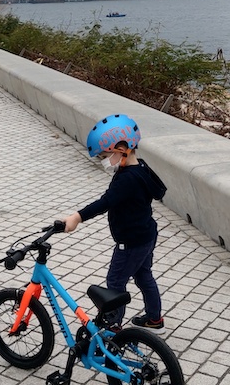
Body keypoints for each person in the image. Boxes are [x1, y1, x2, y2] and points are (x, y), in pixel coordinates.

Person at [62, 114, 167, 333]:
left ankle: (113, 329)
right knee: (144, 276)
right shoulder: (140, 168)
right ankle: (155, 319)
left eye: (104, 154)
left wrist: (76, 217)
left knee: (115, 284)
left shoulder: (127, 179)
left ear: (121, 149)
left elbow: (106, 202)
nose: (103, 160)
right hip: (146, 235)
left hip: (130, 242)